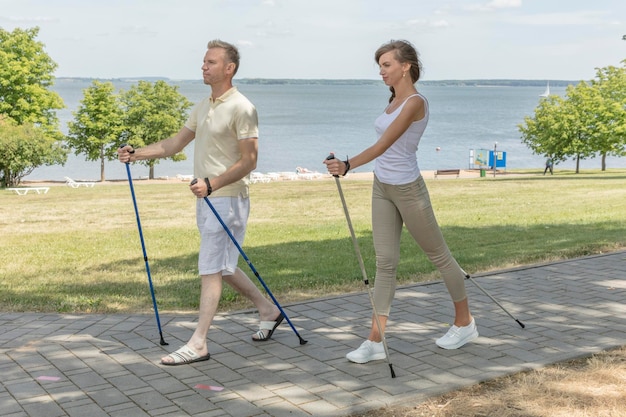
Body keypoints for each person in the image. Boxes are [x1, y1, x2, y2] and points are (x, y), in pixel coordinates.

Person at [118, 39, 283, 366]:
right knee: (223, 266)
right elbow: (174, 144)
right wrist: (137, 154)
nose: (203, 66)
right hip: (208, 197)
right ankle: (268, 310)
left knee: (210, 268)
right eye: (204, 62)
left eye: (210, 62)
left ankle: (199, 343)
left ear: (229, 68)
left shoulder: (242, 108)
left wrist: (213, 183)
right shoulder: (204, 105)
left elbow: (249, 161)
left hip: (227, 198)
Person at [324, 40, 478, 364]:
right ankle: (375, 340)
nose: (381, 71)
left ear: (405, 66)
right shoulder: (394, 100)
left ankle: (465, 323)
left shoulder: (414, 102)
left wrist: (349, 165)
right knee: (385, 263)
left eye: (386, 65)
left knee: (440, 256)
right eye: (379, 66)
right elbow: (383, 150)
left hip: (409, 190)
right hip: (383, 187)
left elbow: (383, 144)